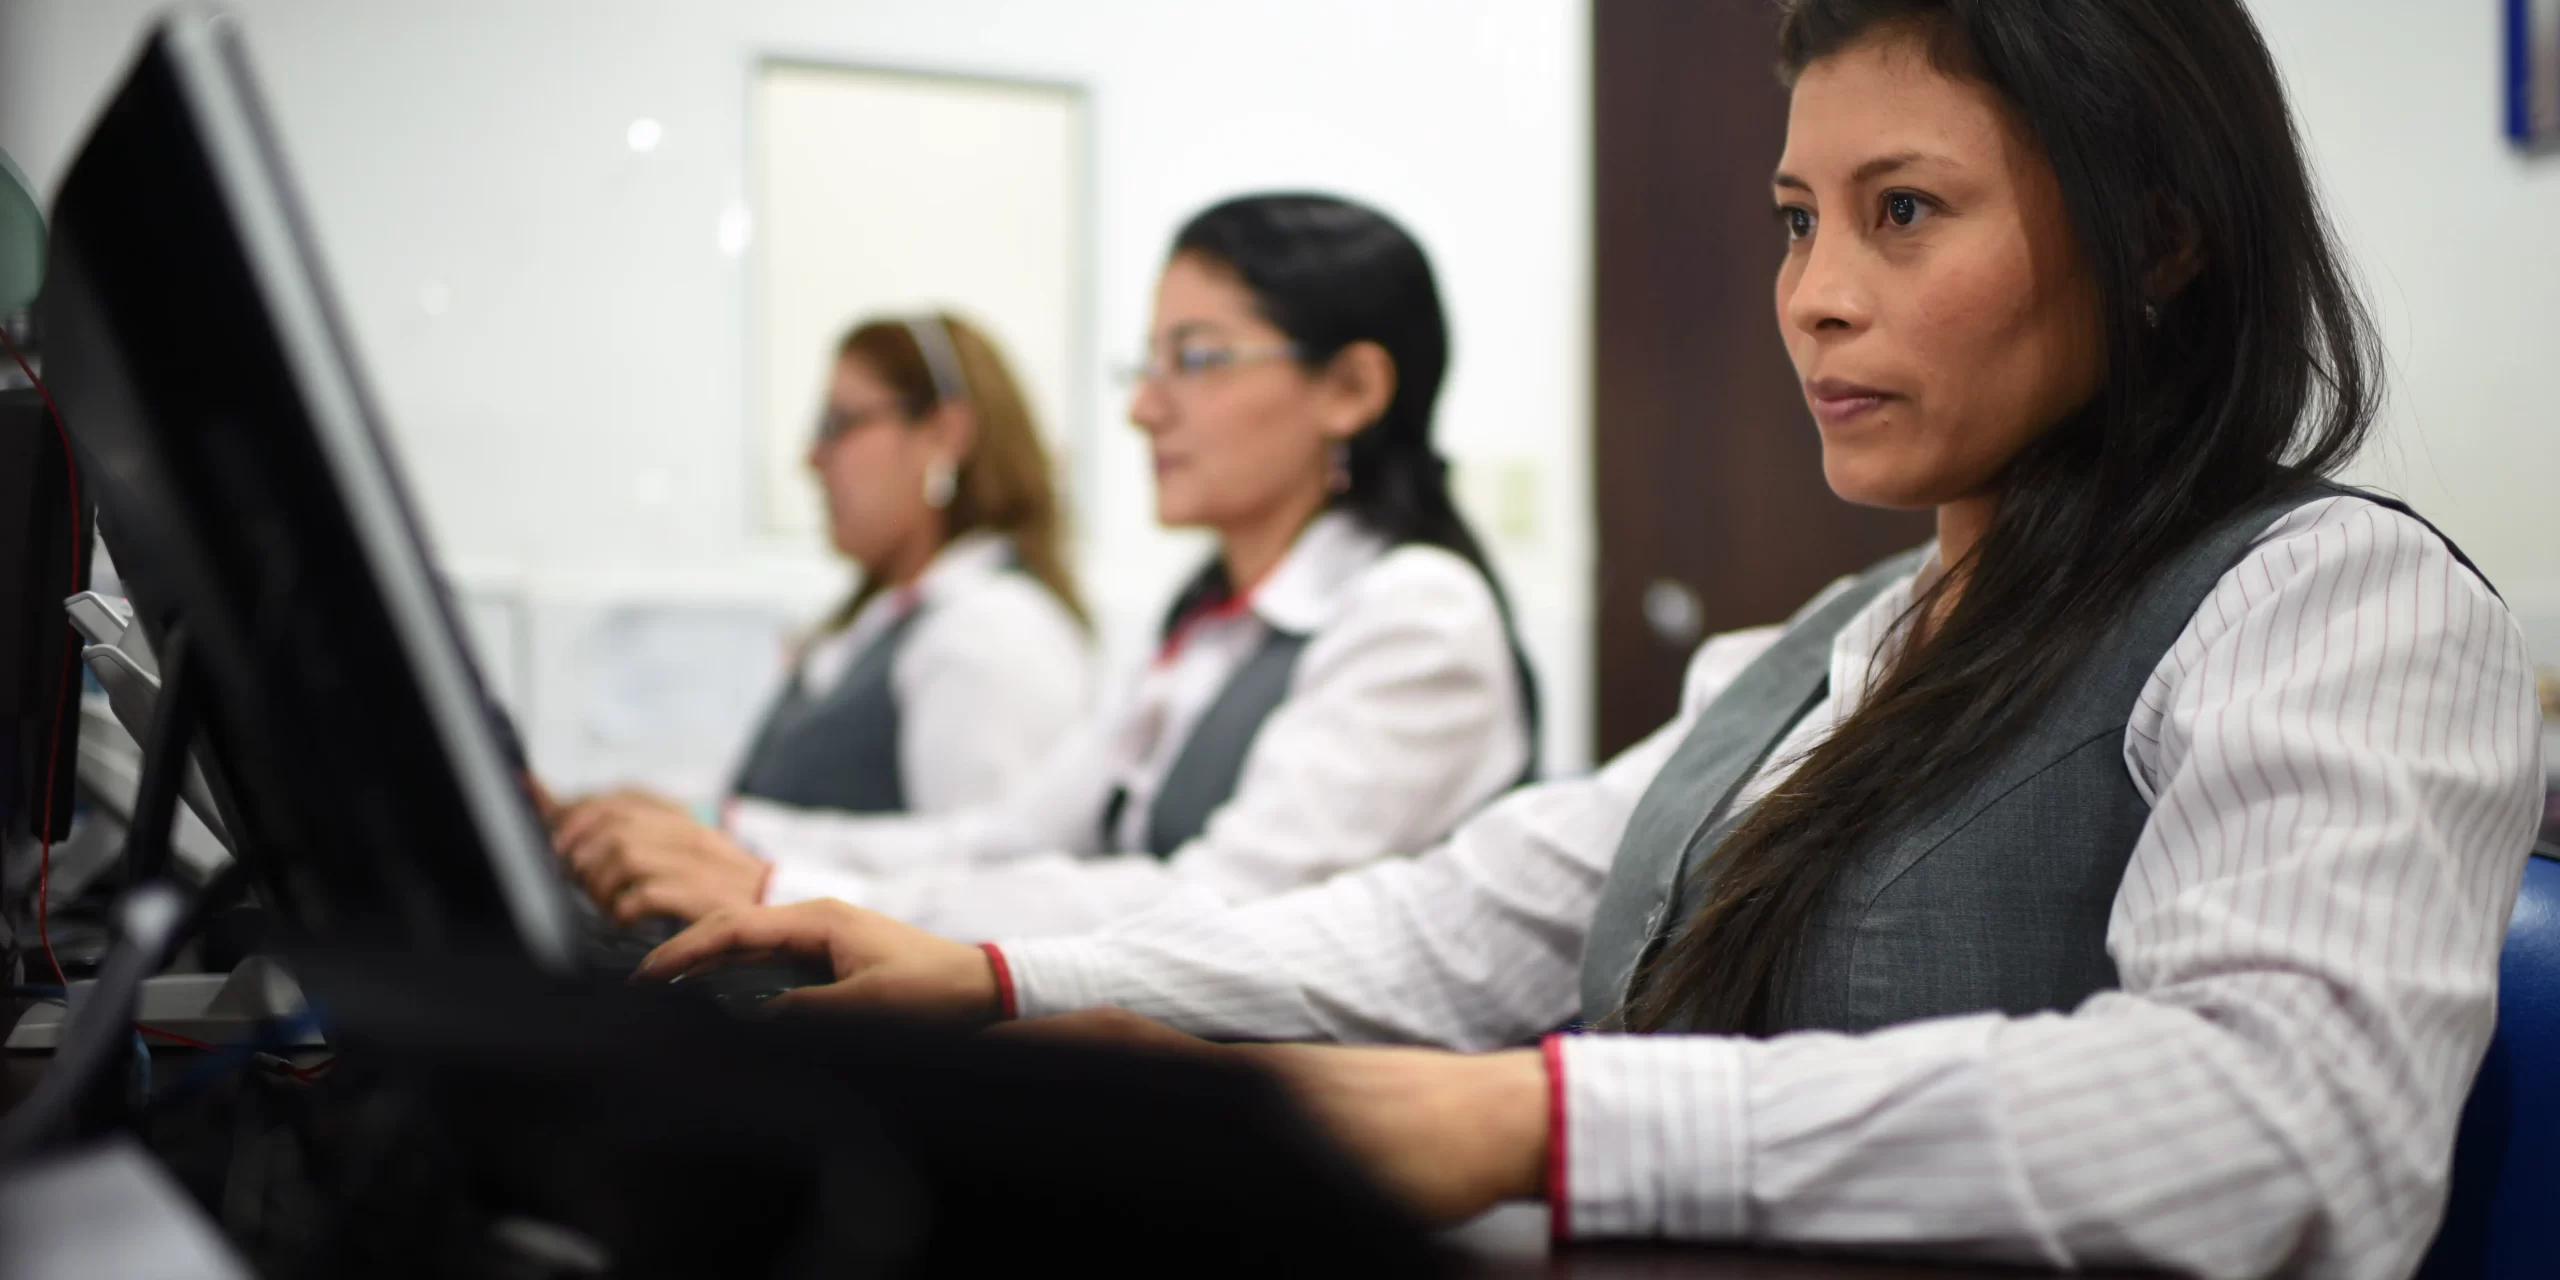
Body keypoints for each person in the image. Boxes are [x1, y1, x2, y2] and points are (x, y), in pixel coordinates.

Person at [638, 3, 2543, 1276]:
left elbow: (2293, 1122)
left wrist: (1538, 1120)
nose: (1815, 299)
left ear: (2161, 238)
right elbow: (1456, 921)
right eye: (1800, 220)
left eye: (1904, 213)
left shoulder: (2329, 602)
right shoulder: (1828, 640)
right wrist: (993, 977)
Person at [566, 194, 1539, 937]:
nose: (1144, 409)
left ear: (1352, 387)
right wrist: (721, 831)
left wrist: (788, 891)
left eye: (1194, 360)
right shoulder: (1212, 624)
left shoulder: (1417, 617)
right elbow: (1002, 838)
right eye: (1146, 365)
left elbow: (1219, 914)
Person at [550, 315, 1093, 890]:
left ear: (943, 434)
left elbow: (984, 881)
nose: (811, 457)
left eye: (840, 423)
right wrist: (644, 816)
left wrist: (718, 831)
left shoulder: (994, 631)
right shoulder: (885, 617)